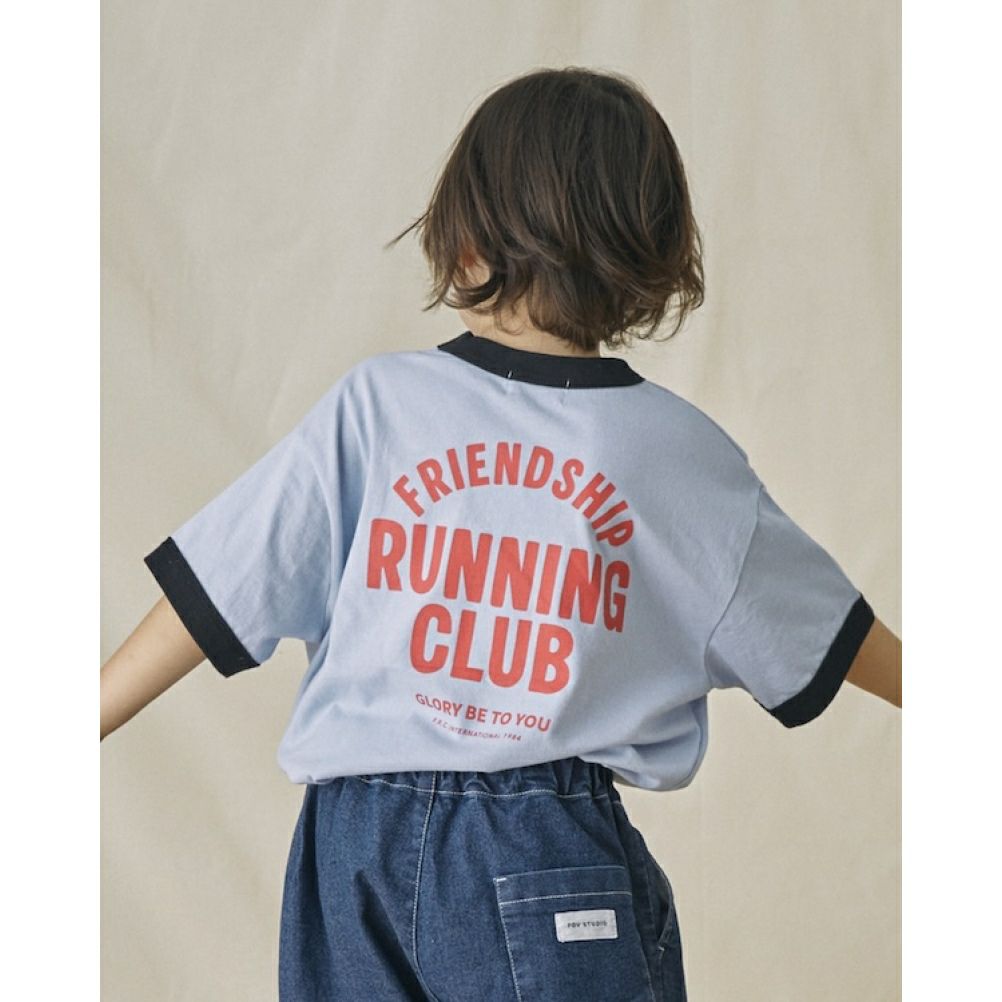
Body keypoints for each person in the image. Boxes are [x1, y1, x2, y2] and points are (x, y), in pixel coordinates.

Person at [101, 66, 901, 1001]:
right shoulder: (679, 456)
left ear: (467, 239)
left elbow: (222, 588)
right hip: (542, 844)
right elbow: (831, 637)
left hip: (350, 852)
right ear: (647, 248)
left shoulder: (380, 407)